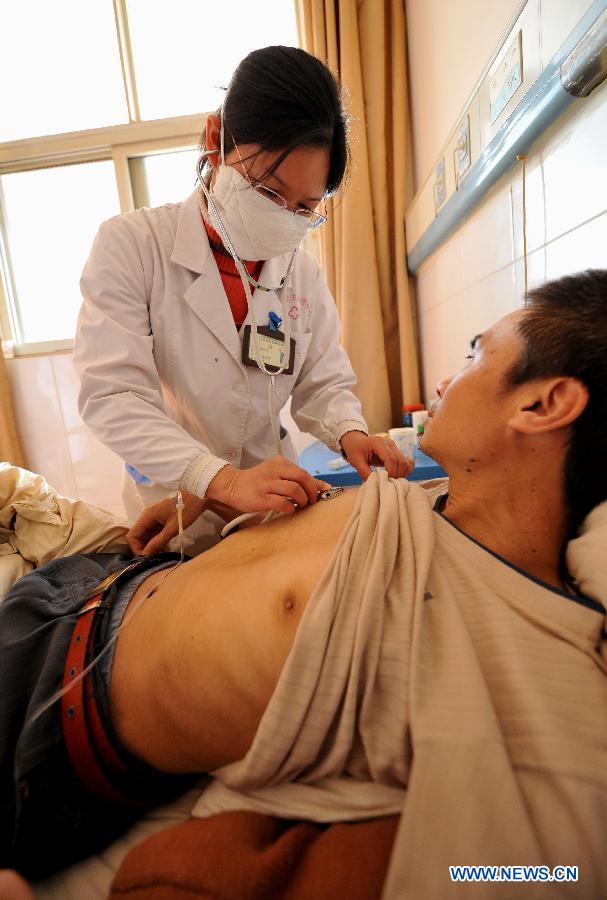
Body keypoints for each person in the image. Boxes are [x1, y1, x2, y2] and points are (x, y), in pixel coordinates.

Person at [2, 271, 606, 896]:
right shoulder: (424, 502)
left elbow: (537, 871)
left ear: (544, 404)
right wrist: (208, 500)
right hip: (91, 585)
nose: (446, 381)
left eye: (475, 354)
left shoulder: (531, 658)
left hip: (54, 715)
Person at [74, 45, 409, 552]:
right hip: (175, 506)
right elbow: (114, 396)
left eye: (304, 207)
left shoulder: (301, 270)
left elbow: (322, 380)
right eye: (269, 192)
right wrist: (222, 482)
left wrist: (350, 433)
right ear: (215, 138)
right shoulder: (133, 245)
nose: (284, 217)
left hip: (273, 506)